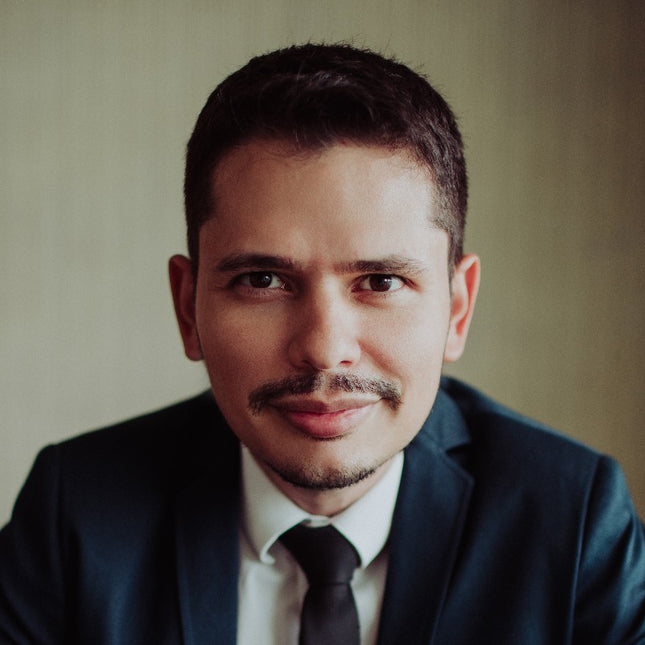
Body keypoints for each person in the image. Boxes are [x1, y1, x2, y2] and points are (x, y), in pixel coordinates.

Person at [1, 43, 644, 645]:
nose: (324, 349)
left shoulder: (576, 525)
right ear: (187, 307)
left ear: (457, 307)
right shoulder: (73, 517)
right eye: (263, 280)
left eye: (381, 281)